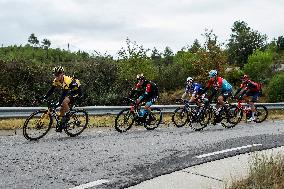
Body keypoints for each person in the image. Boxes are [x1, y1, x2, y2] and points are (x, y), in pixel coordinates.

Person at [44, 66, 82, 132]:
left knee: (64, 102)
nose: (56, 76)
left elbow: (63, 95)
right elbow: (51, 90)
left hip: (77, 92)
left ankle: (68, 116)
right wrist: (44, 97)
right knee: (61, 109)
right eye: (55, 74)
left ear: (62, 74)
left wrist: (58, 103)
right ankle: (62, 125)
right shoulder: (56, 80)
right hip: (70, 91)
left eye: (58, 74)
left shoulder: (66, 80)